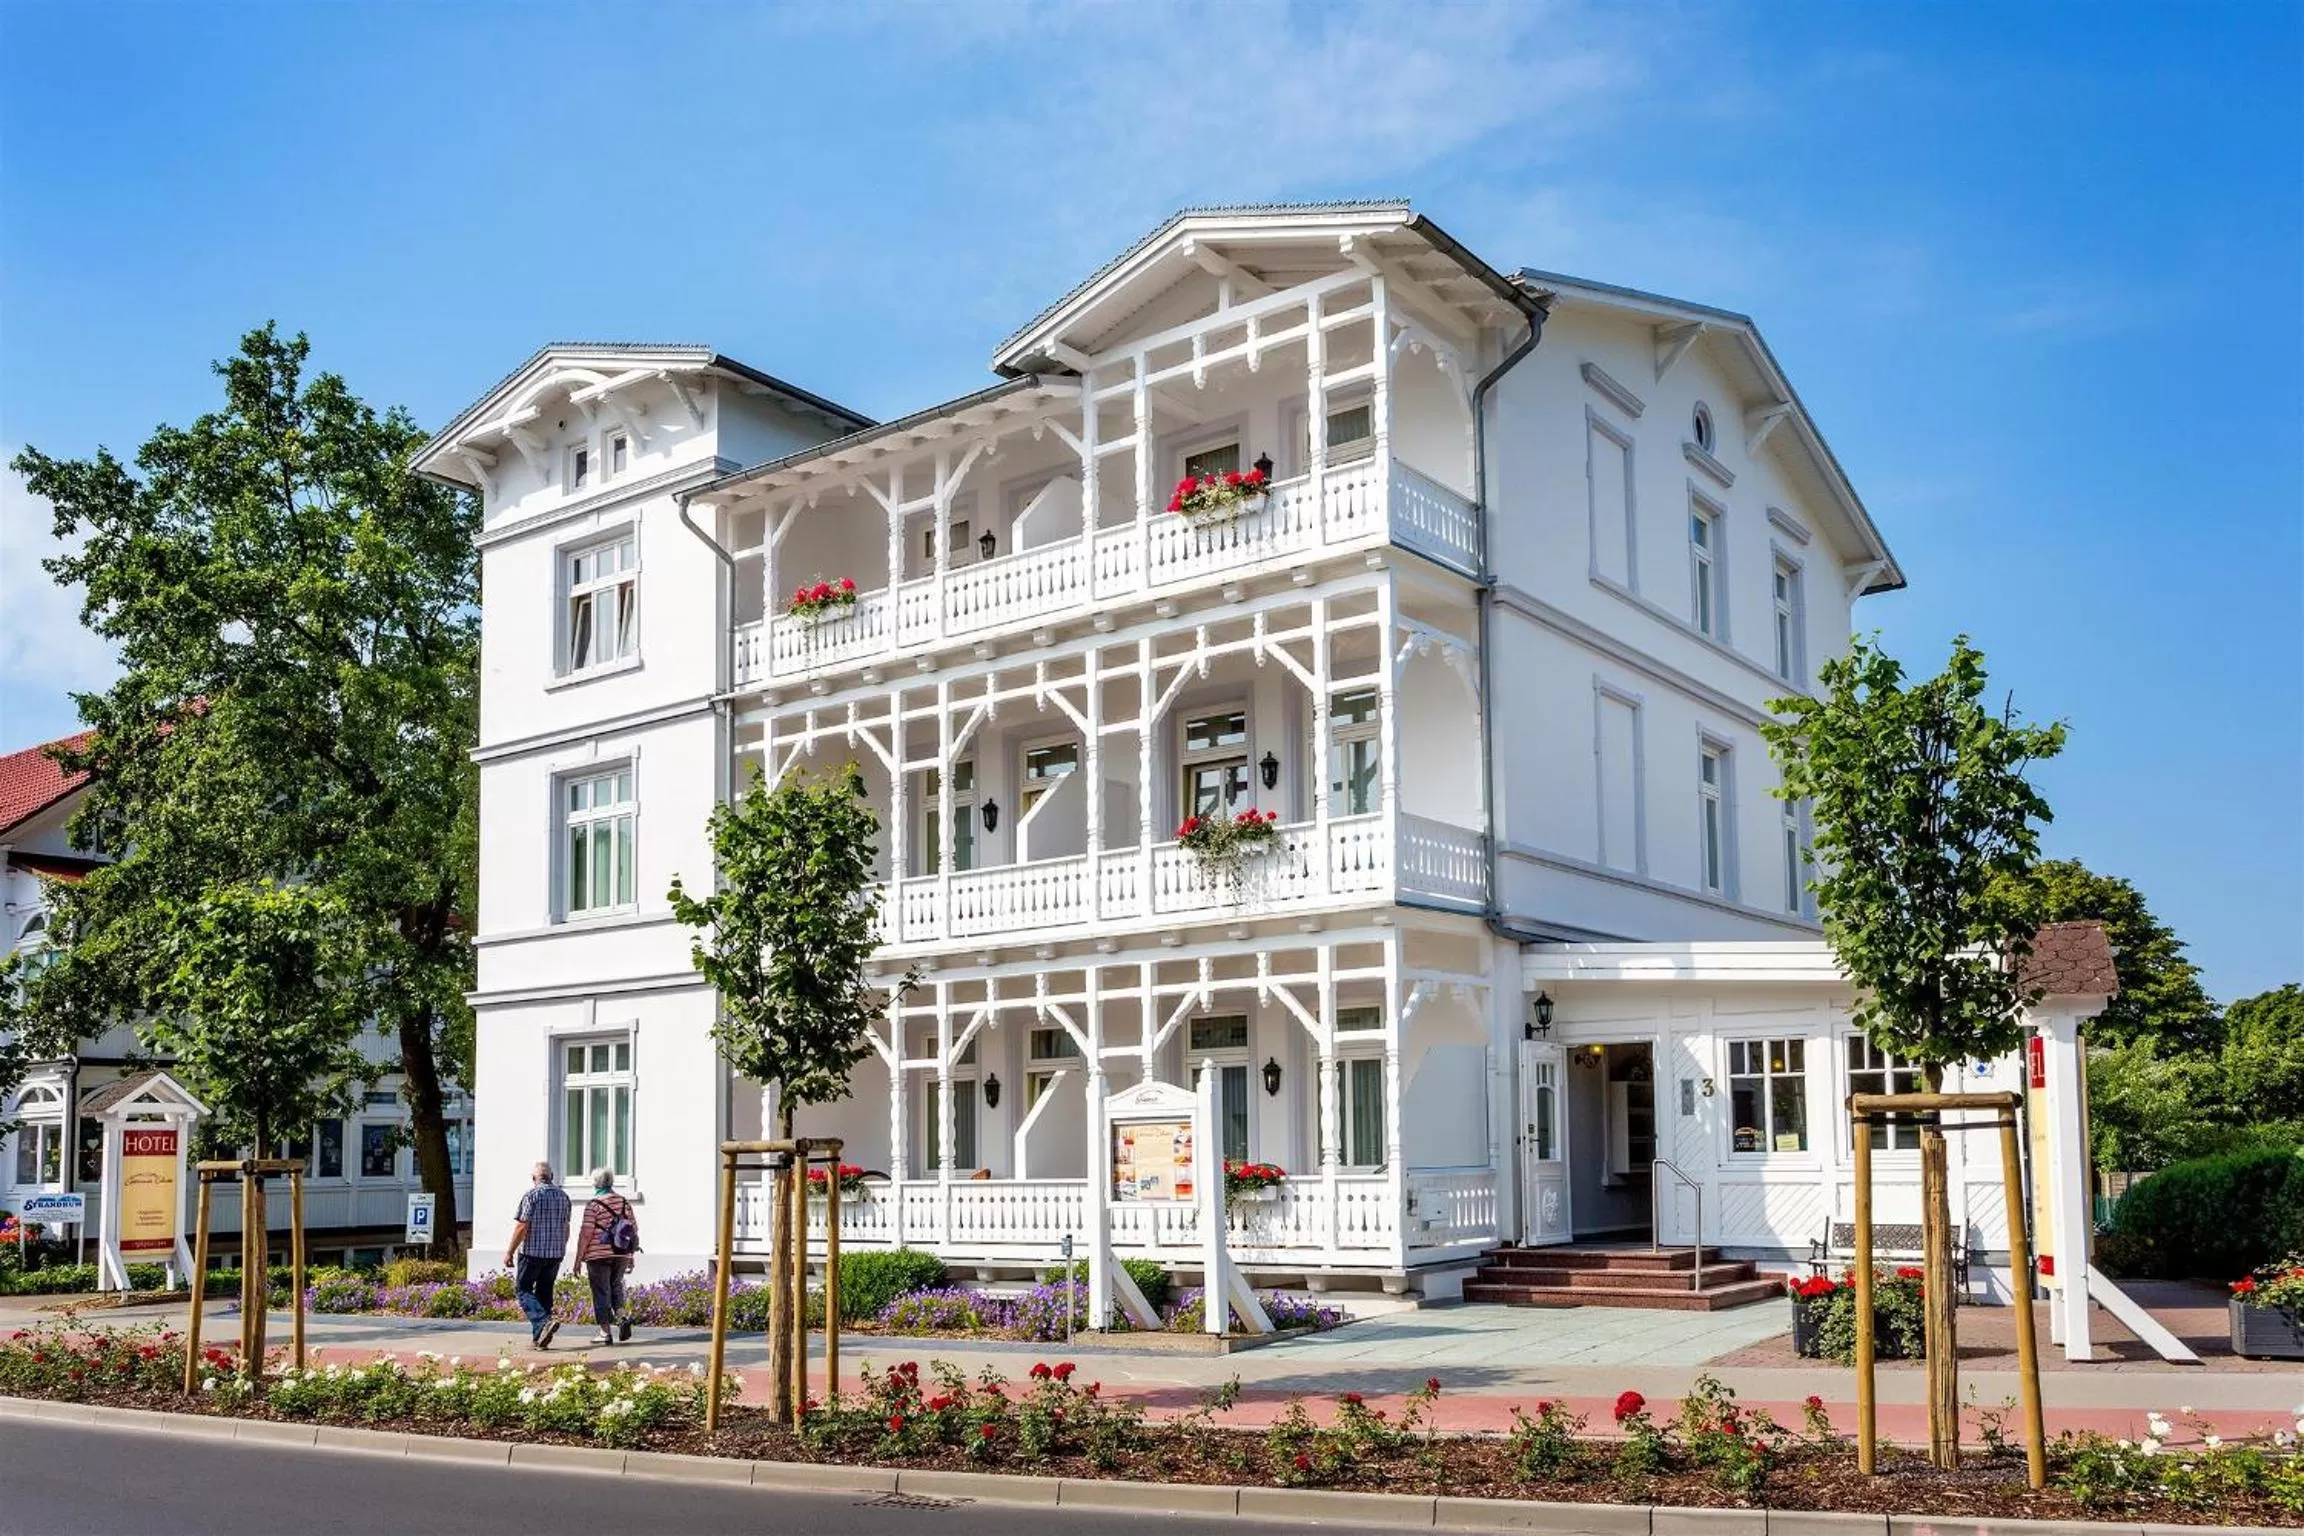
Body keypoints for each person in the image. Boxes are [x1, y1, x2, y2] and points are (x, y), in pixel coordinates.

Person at [504, 1160, 570, 1349]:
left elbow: (522, 1225)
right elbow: (566, 1226)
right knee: (545, 1292)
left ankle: (543, 1322)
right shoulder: (563, 1197)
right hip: (555, 1254)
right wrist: (561, 1247)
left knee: (523, 1289)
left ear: (534, 1178)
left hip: (532, 1253)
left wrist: (510, 1251)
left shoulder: (531, 1195)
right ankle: (539, 1338)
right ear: (552, 1177)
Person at [573, 1165, 639, 1347]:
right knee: (616, 1286)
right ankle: (621, 1316)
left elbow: (586, 1233)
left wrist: (578, 1259)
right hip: (621, 1253)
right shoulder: (624, 1202)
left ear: (595, 1183)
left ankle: (605, 1332)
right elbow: (632, 1230)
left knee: (601, 1291)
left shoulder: (593, 1205)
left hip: (598, 1255)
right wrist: (630, 1255)